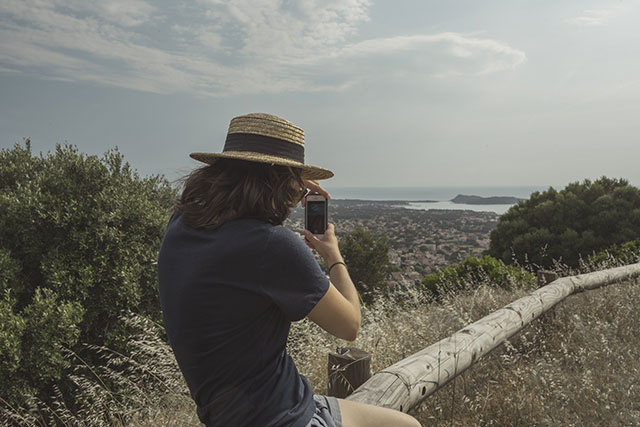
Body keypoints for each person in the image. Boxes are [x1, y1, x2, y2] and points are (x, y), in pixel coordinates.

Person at [157, 113, 421, 427]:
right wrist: (333, 256)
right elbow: (350, 325)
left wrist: (285, 179)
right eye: (294, 184)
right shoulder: (270, 246)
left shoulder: (180, 227)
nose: (296, 201)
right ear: (279, 184)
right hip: (284, 417)